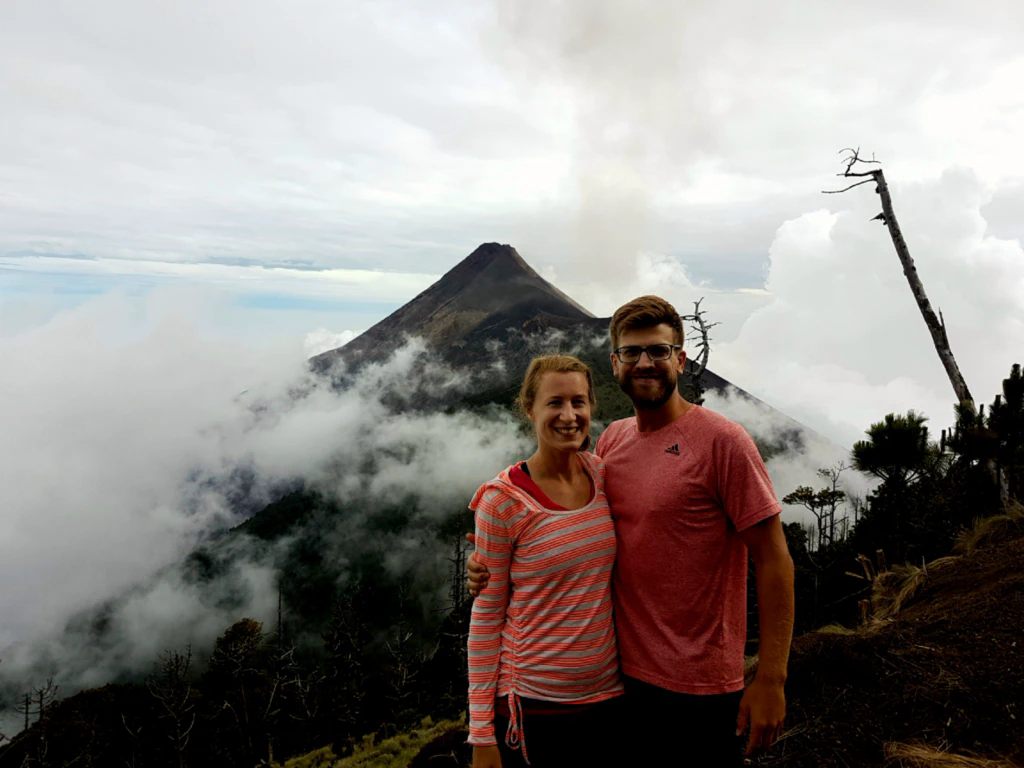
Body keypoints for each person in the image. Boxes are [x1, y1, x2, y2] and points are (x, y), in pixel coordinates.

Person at [469, 295, 795, 767]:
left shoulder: (723, 442)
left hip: (700, 689)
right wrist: (490, 558)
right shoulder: (611, 445)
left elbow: (773, 557)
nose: (645, 363)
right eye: (632, 352)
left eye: (659, 351)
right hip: (623, 686)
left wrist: (771, 679)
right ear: (615, 363)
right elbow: (564, 524)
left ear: (680, 360)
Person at [467, 355, 624, 768]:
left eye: (578, 402)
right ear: (529, 409)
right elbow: (486, 617)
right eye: (555, 403)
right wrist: (481, 732)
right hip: (532, 708)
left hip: (608, 701)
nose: (569, 416)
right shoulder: (503, 501)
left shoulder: (601, 475)